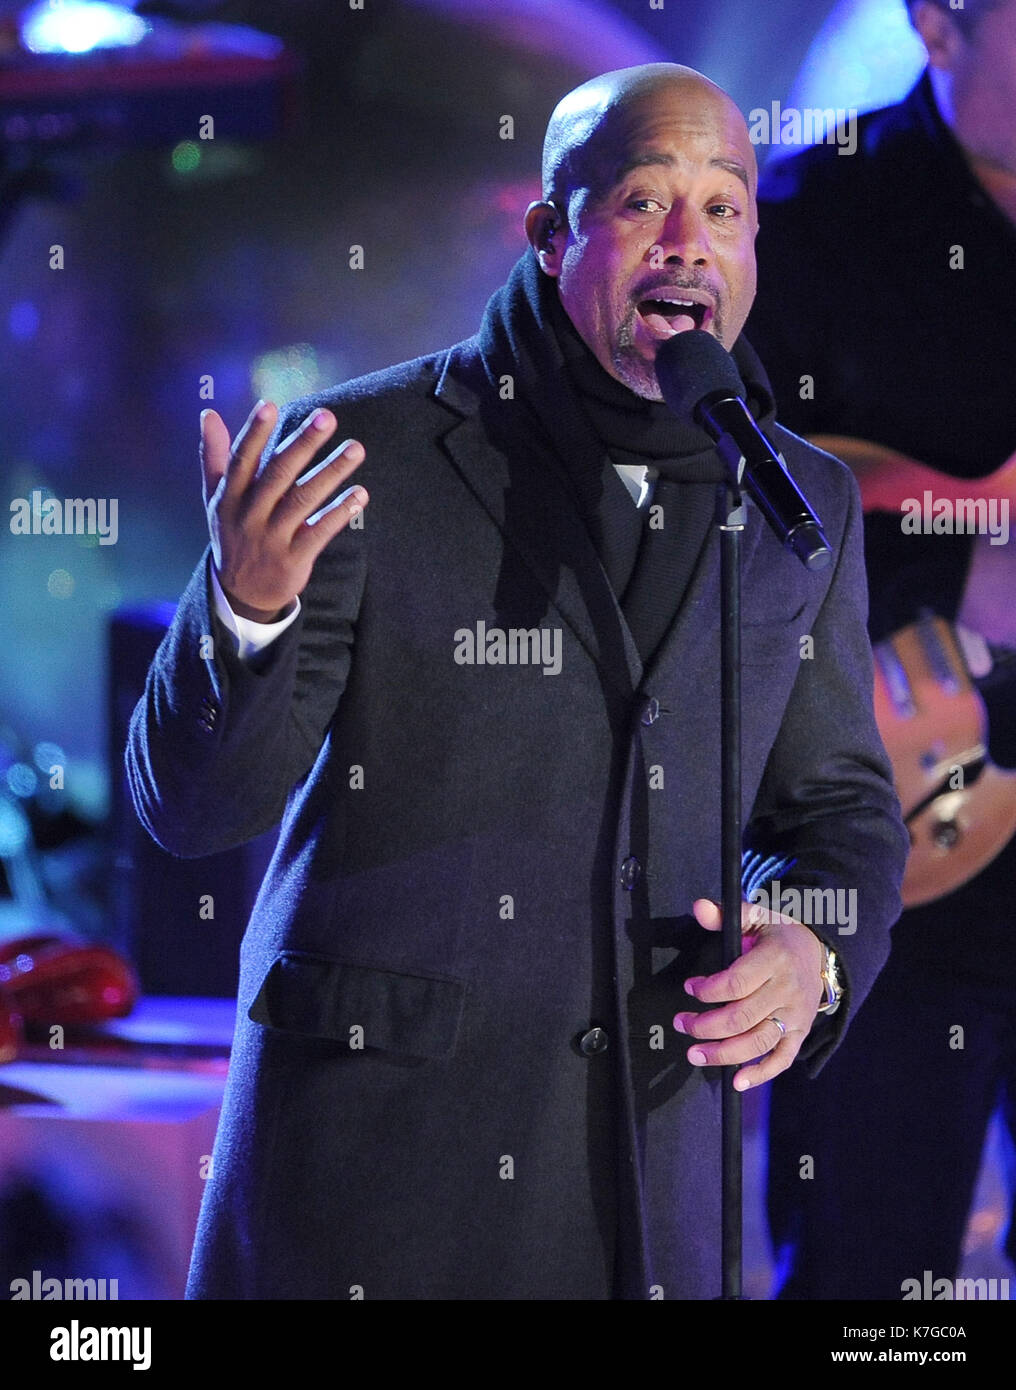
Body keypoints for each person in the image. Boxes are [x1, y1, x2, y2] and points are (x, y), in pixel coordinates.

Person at [127, 62, 907, 1300]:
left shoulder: (795, 500)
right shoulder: (357, 457)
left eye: (721, 207)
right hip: (374, 1194)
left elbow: (836, 813)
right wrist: (248, 607)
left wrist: (811, 949)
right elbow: (194, 807)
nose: (686, 244)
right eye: (644, 200)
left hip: (652, 1198)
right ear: (552, 234)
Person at [748, 0, 1016, 1300]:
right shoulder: (799, 225)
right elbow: (697, 524)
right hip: (891, 850)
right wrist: (966, 571)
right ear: (937, 20)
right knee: (865, 1276)